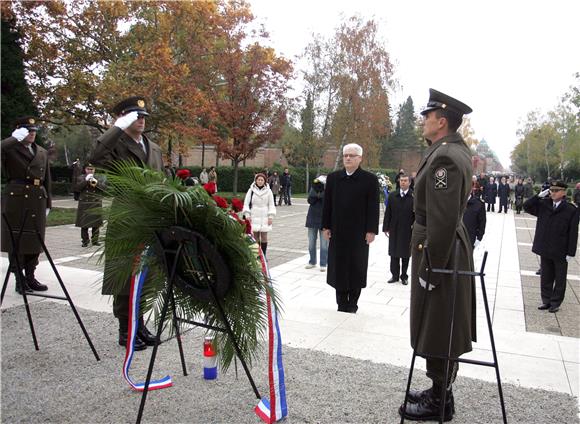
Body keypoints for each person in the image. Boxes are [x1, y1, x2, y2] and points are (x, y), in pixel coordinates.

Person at [399, 89, 475, 422]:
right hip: (436, 247)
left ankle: (440, 400)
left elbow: (442, 221)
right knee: (436, 322)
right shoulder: (447, 151)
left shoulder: (445, 159)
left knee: (439, 322)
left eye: (428, 116)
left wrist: (432, 268)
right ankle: (439, 391)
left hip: (437, 250)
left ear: (441, 121)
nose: (423, 120)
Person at [90, 96, 164, 351]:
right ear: (123, 117)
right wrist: (117, 127)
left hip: (149, 218)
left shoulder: (153, 148)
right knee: (125, 273)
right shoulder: (117, 144)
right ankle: (125, 329)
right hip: (126, 216)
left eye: (143, 117)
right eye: (135, 117)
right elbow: (96, 156)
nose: (141, 121)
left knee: (147, 274)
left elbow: (162, 180)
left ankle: (140, 324)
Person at [322, 143, 379, 314]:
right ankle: (341, 303)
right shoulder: (333, 178)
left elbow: (373, 207)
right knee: (338, 267)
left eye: (352, 155)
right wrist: (326, 226)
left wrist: (371, 230)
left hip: (359, 233)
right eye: (346, 155)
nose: (348, 158)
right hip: (338, 232)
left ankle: (353, 303)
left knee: (356, 266)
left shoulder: (369, 180)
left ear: (360, 158)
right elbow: (327, 205)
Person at [1, 116, 51, 293]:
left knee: (35, 240)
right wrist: (14, 138)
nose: (31, 134)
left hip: (37, 198)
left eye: (34, 131)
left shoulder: (42, 151)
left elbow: (47, 180)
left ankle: (30, 276)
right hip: (16, 199)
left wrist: (48, 203)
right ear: (18, 131)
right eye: (27, 131)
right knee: (16, 241)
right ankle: (18, 278)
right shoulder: (9, 149)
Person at [523, 181, 578, 313]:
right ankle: (546, 301)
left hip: (560, 249)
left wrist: (571, 252)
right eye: (551, 190)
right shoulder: (544, 205)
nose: (553, 193)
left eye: (556, 190)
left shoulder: (571, 209)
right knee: (546, 276)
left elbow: (573, 232)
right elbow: (526, 206)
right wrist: (538, 196)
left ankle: (555, 302)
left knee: (560, 278)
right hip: (545, 246)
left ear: (563, 192)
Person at [383, 173, 414, 285]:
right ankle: (394, 275)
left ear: (409, 182)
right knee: (394, 253)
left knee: (406, 254)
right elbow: (388, 213)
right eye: (401, 180)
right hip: (394, 228)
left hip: (407, 230)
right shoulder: (392, 196)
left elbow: (416, 215)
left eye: (405, 180)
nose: (403, 182)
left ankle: (404, 276)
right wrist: (386, 227)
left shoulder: (413, 197)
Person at [243, 173, 276, 256]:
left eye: (262, 180)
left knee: (264, 236)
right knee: (255, 237)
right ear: (256, 180)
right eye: (258, 180)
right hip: (254, 215)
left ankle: (263, 254)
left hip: (265, 216)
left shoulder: (269, 191)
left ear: (264, 181)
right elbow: (246, 203)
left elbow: (271, 204)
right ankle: (257, 255)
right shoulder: (251, 191)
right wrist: (247, 215)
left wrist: (271, 216)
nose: (260, 181)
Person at [74, 163, 105, 247]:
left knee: (96, 224)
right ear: (85, 169)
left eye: (92, 169)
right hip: (84, 203)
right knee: (84, 224)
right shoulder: (81, 177)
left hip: (95, 203)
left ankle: (95, 240)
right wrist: (86, 181)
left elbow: (104, 189)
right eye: (88, 169)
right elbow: (77, 188)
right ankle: (85, 240)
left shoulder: (99, 177)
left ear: (94, 170)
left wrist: (97, 182)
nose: (90, 171)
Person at [305, 175, 328, 271]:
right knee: (311, 242)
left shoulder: (328, 190)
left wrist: (320, 194)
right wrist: (316, 192)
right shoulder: (314, 187)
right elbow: (310, 200)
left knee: (324, 243)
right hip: (312, 218)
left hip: (324, 219)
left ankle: (323, 263)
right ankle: (312, 261)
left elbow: (327, 200)